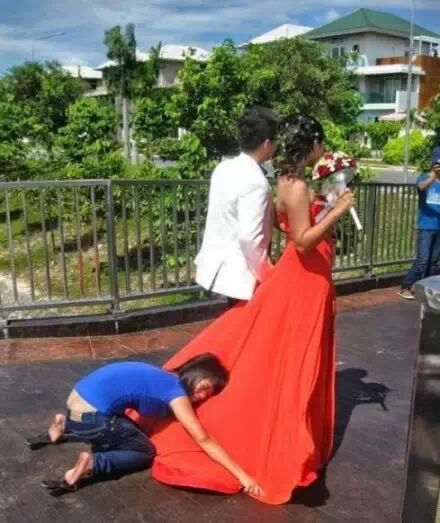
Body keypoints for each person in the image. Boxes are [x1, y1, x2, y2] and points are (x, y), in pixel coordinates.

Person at [128, 115, 356, 505]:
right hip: (305, 277)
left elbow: (291, 227)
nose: (324, 150)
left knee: (276, 350)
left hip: (298, 273)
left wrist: (327, 204)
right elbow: (302, 241)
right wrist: (338, 210)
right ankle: (268, 429)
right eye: (321, 143)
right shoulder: (298, 186)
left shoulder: (285, 181)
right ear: (313, 144)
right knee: (292, 356)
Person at [26, 355, 263, 497]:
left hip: (74, 403)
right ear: (196, 374)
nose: (203, 395)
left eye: (208, 394)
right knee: (144, 451)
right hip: (93, 419)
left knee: (124, 428)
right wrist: (243, 477)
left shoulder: (164, 376)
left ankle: (60, 426)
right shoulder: (176, 393)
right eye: (205, 387)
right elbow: (203, 439)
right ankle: (93, 464)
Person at [195, 106, 278, 303]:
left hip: (213, 269)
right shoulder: (256, 182)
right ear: (267, 144)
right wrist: (267, 274)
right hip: (238, 279)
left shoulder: (223, 168)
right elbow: (249, 237)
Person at [398, 146, 440, 300]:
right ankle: (405, 287)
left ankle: (425, 289)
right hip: (426, 226)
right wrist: (434, 176)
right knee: (422, 260)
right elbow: (421, 187)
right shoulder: (424, 177)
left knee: (433, 262)